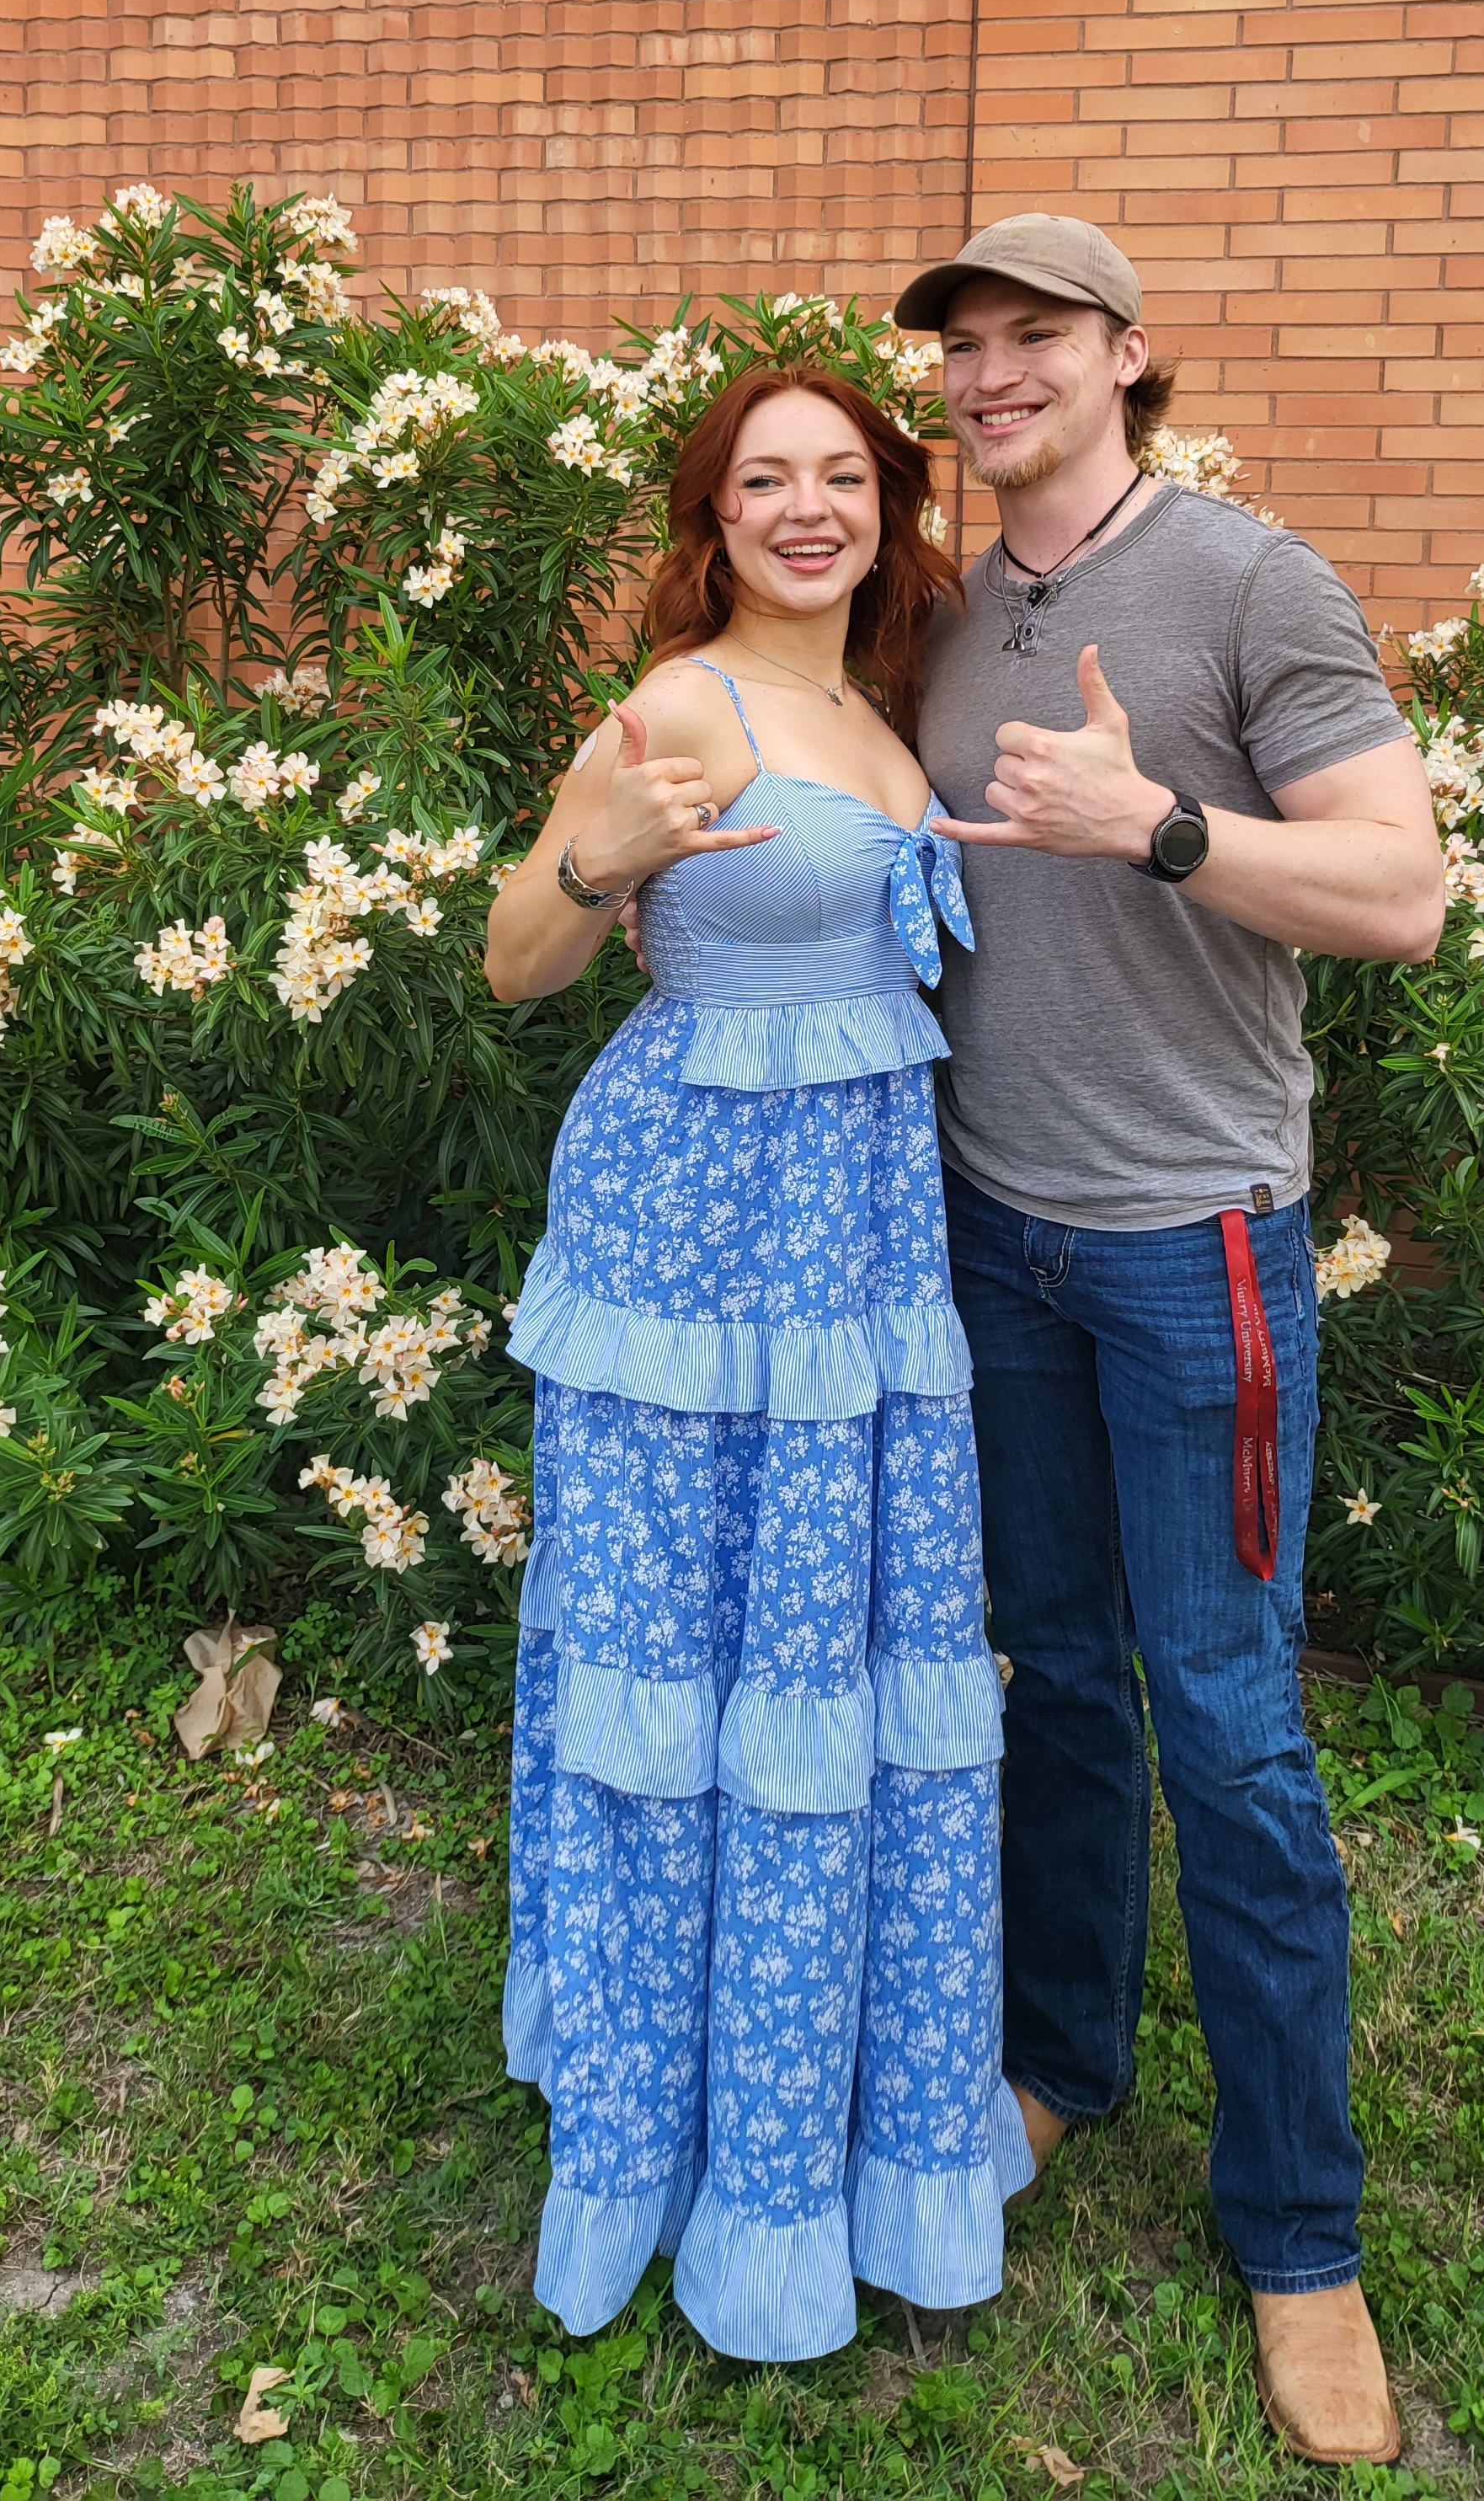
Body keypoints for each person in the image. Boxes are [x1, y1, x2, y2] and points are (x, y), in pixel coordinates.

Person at [894, 213, 1446, 2473]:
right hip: (992, 1239)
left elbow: (1403, 890)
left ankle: (1300, 2234)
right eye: (963, 345)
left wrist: (1166, 826)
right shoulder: (951, 615)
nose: (992, 373)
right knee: (1054, 1673)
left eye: (1036, 335)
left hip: (1189, 1250)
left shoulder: (1248, 582)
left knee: (1226, 1725)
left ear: (1128, 356)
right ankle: (1060, 2061)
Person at [484, 365, 1032, 2363]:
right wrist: (594, 859)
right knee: (684, 1659)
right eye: (764, 480)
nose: (808, 508)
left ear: (890, 505)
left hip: (857, 1250)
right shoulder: (680, 706)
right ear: (711, 518)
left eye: (844, 477)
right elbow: (513, 963)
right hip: (691, 1249)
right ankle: (662, 2125)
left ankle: (825, 2102)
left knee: (830, 1659)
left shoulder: (885, 713)